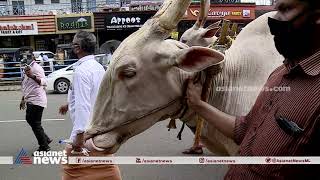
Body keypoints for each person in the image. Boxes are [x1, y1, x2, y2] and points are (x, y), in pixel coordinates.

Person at [187, 0, 320, 179]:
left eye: (286, 9)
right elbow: (244, 130)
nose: (274, 21)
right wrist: (198, 105)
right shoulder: (278, 73)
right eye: (276, 10)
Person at [58, 30, 121, 180]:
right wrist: (69, 103)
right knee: (107, 170)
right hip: (101, 132)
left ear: (77, 47)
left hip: (86, 136)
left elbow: (83, 106)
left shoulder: (82, 71)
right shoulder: (98, 68)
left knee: (71, 171)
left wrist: (79, 138)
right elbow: (97, 96)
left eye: (73, 43)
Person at [20, 53, 52, 152]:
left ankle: (44, 146)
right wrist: (23, 99)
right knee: (31, 121)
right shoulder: (27, 67)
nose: (26, 58)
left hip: (37, 100)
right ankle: (45, 139)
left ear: (33, 57)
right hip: (31, 99)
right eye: (24, 56)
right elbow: (27, 86)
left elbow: (44, 82)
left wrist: (32, 76)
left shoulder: (36, 68)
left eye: (28, 56)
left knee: (35, 123)